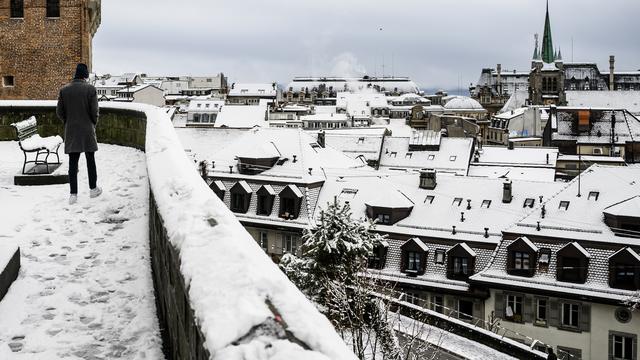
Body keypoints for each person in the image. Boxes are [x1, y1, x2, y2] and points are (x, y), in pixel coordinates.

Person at [56, 63, 102, 205]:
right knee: (90, 160)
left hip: (72, 130)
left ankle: (73, 194)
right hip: (87, 128)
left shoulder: (64, 90)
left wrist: (68, 122)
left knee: (73, 162)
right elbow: (95, 112)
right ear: (85, 75)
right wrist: (92, 123)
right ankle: (93, 189)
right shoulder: (90, 89)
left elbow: (59, 112)